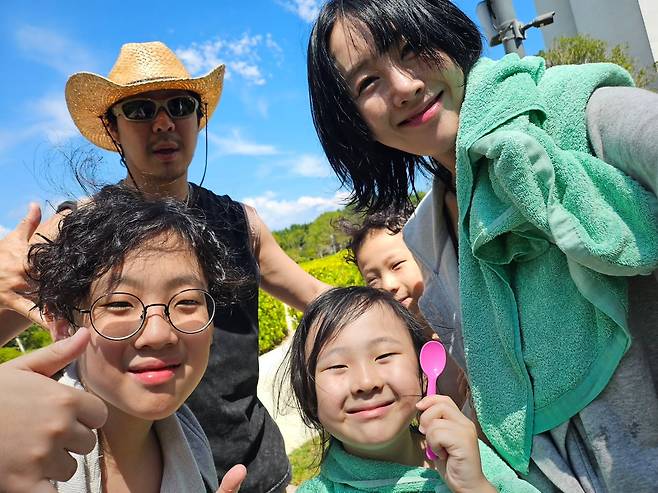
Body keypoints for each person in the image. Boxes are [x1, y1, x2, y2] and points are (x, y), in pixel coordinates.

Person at [306, 1, 658, 491]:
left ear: (447, 34)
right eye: (368, 82)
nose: (404, 87)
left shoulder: (574, 114)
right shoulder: (425, 237)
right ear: (353, 121)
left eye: (411, 48)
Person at [1, 41, 327, 492]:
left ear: (199, 118)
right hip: (133, 474)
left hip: (256, 469)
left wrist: (396, 313)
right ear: (112, 127)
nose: (163, 122)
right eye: (139, 109)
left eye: (179, 105)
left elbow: (317, 297)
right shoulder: (78, 230)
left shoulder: (241, 223)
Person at [28, 184, 253, 492]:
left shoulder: (192, 441)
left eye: (187, 301)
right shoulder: (21, 462)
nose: (158, 334)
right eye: (120, 304)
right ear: (63, 324)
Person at [282, 286, 538, 492]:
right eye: (337, 366)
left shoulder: (466, 454)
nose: (366, 382)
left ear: (423, 373)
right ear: (309, 394)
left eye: (384, 356)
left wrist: (473, 487)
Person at [337, 205, 468, 410]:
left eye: (397, 265)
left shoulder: (465, 324)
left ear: (426, 255)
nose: (388, 285)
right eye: (372, 280)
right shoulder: (392, 349)